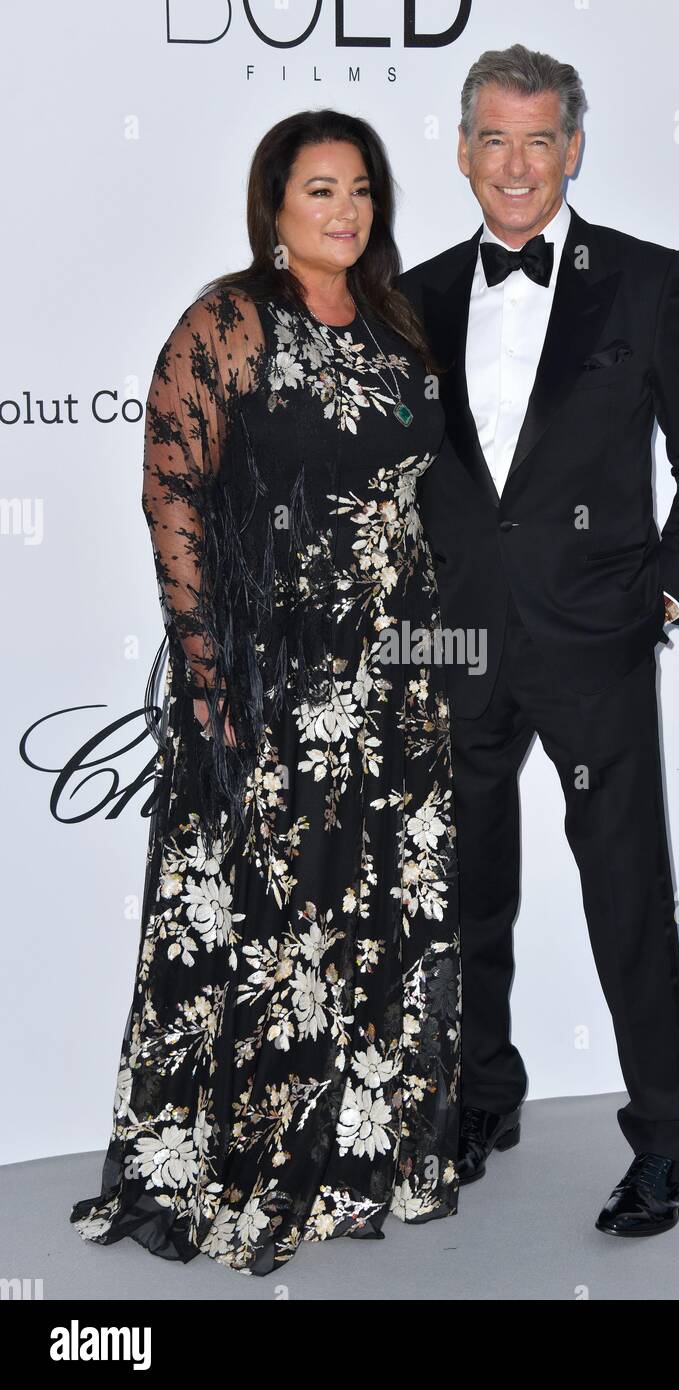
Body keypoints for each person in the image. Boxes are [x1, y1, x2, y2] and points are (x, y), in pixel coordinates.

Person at [70, 110, 460, 1276]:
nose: (344, 211)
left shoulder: (397, 326)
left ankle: (363, 1164)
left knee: (373, 916)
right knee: (268, 931)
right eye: (319, 190)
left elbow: (419, 507)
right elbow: (172, 489)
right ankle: (243, 1169)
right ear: (274, 206)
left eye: (361, 192)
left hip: (395, 676)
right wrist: (203, 670)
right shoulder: (230, 319)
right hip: (274, 676)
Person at [399, 44, 679, 1236]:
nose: (513, 164)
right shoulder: (416, 294)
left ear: (571, 149)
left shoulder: (644, 281)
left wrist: (659, 596)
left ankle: (664, 1137)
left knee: (626, 894)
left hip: (591, 640)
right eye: (490, 138)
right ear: (460, 150)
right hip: (452, 648)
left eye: (536, 139)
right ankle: (477, 1094)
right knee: (462, 890)